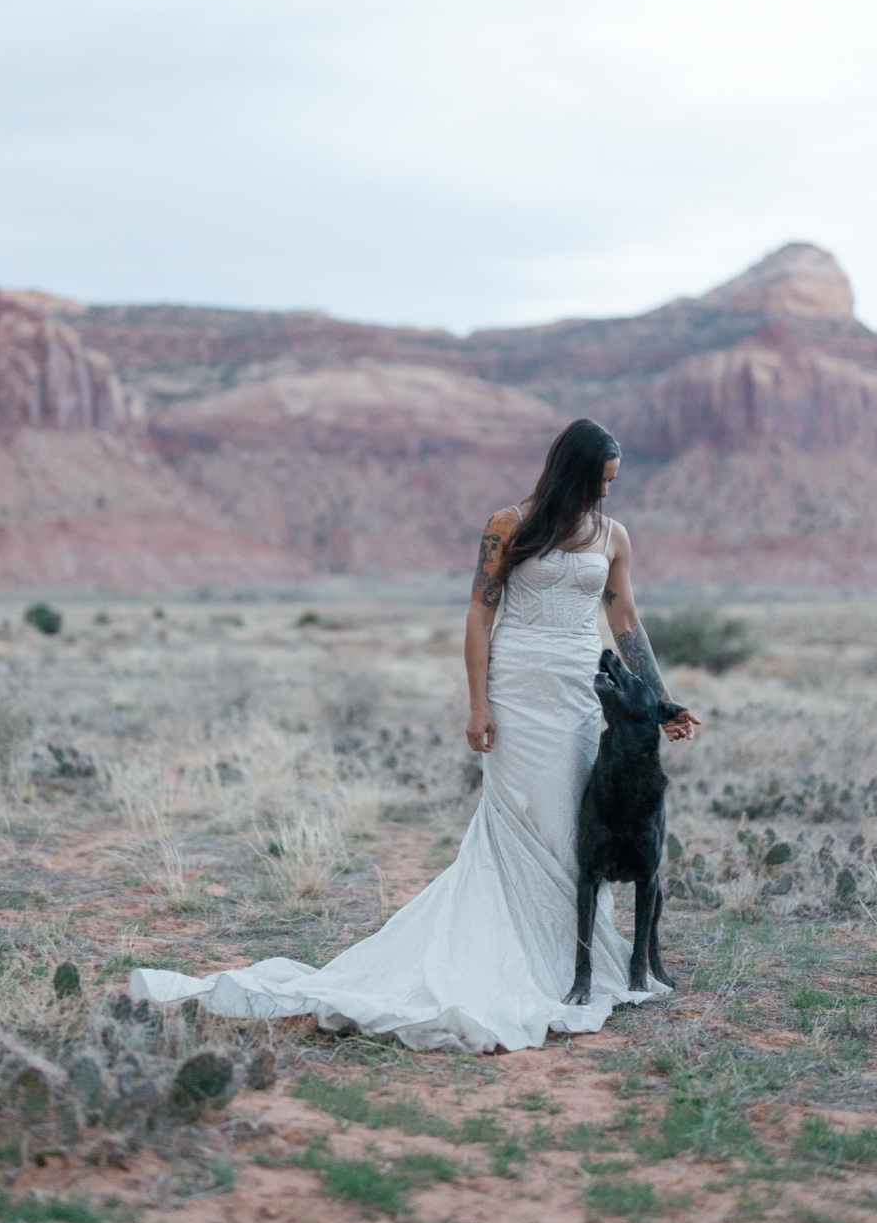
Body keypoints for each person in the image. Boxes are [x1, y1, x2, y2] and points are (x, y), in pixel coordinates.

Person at [130, 419, 701, 1053]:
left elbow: (626, 623)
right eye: (598, 480)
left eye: (612, 483)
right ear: (570, 471)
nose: (604, 493)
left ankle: (572, 967)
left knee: (571, 827)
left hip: (575, 698)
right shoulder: (509, 524)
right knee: (518, 823)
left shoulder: (613, 536)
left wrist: (661, 701)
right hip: (516, 692)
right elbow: (480, 614)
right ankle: (509, 957)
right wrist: (478, 704)